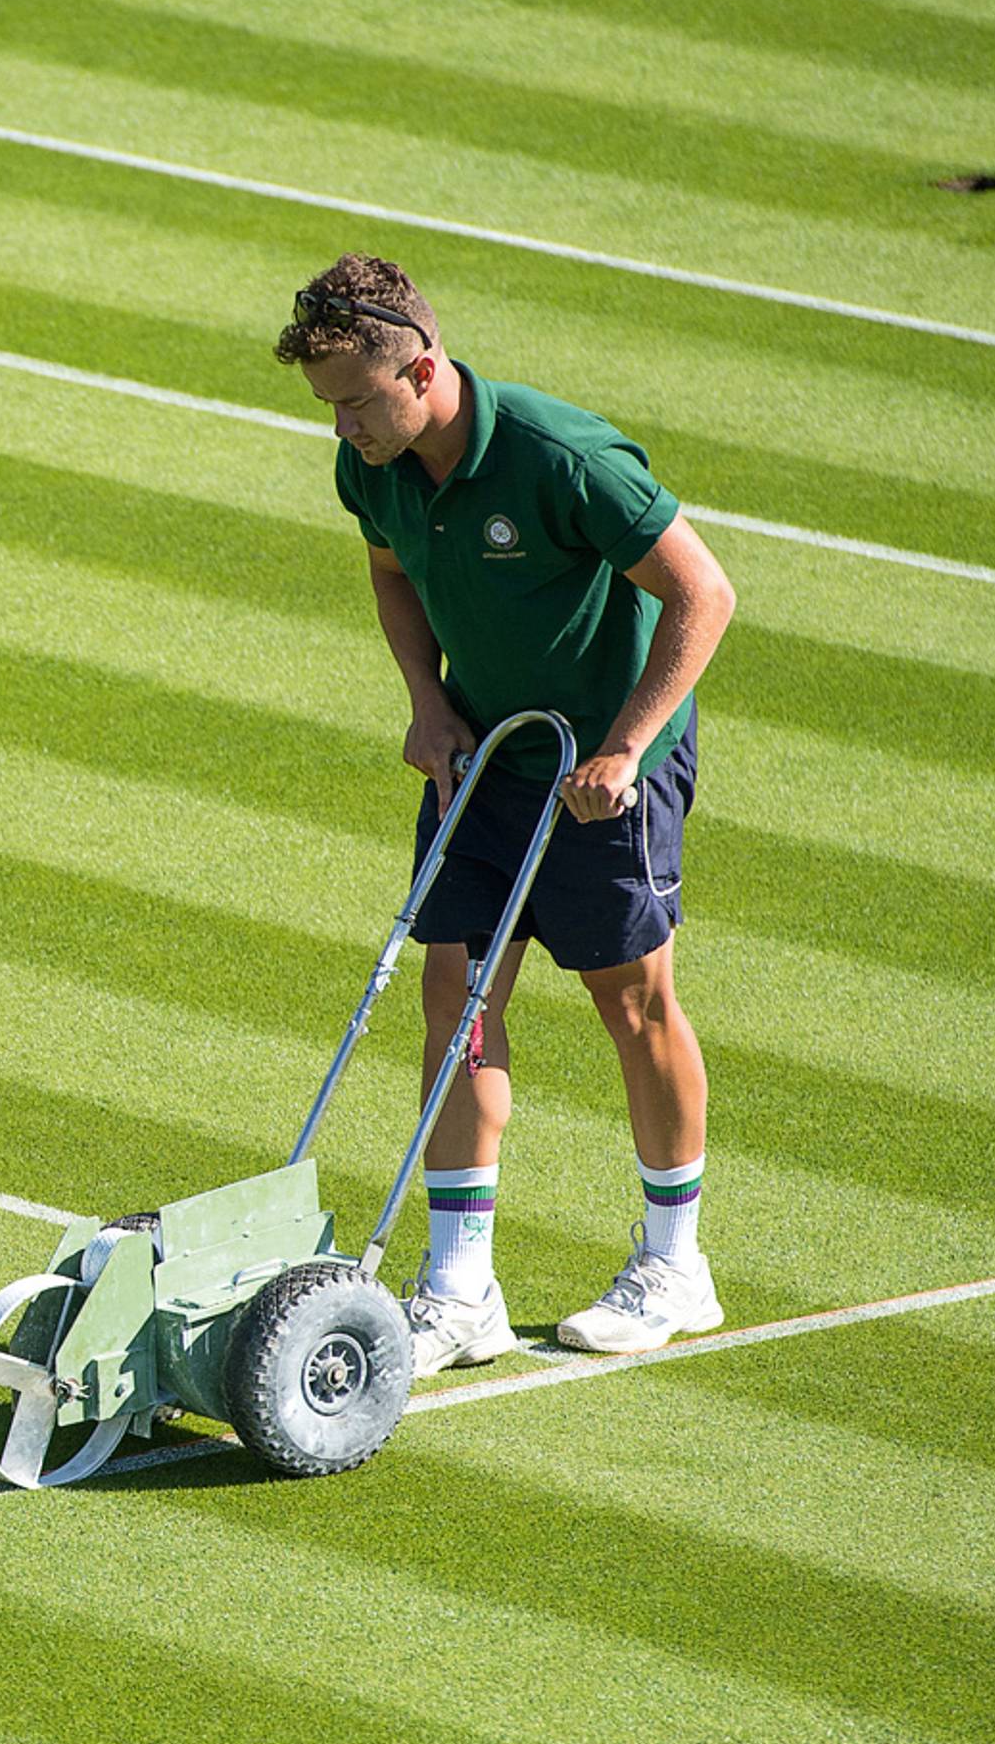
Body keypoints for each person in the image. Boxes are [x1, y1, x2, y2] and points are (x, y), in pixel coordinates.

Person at [276, 254, 737, 1361]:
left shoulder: (559, 455)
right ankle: (458, 1288)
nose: (342, 432)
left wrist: (626, 748)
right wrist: (426, 703)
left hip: (599, 774)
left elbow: (702, 592)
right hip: (479, 766)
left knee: (633, 1005)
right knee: (457, 999)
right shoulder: (373, 466)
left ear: (421, 369)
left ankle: (676, 1267)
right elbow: (391, 570)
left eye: (352, 405)